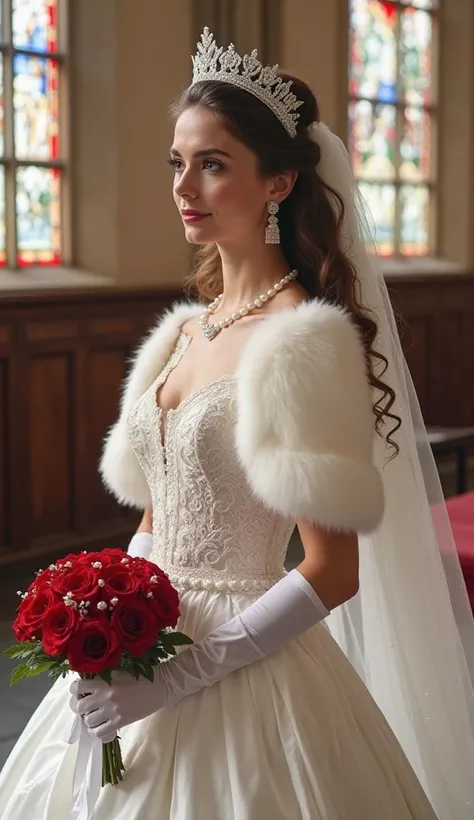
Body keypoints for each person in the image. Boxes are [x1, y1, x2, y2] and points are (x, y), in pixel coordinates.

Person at [1, 27, 474, 820]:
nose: (185, 184)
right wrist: (108, 621)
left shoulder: (303, 342)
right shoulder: (187, 332)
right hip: (143, 638)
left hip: (245, 659)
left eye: (213, 164)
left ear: (279, 181)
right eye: (177, 162)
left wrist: (177, 677)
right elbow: (158, 509)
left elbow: (332, 569)